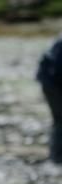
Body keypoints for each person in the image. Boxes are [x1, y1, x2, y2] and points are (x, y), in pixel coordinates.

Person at [37, 35, 62, 163]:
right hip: (53, 83)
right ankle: (57, 158)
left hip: (48, 80)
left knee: (58, 119)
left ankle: (56, 156)